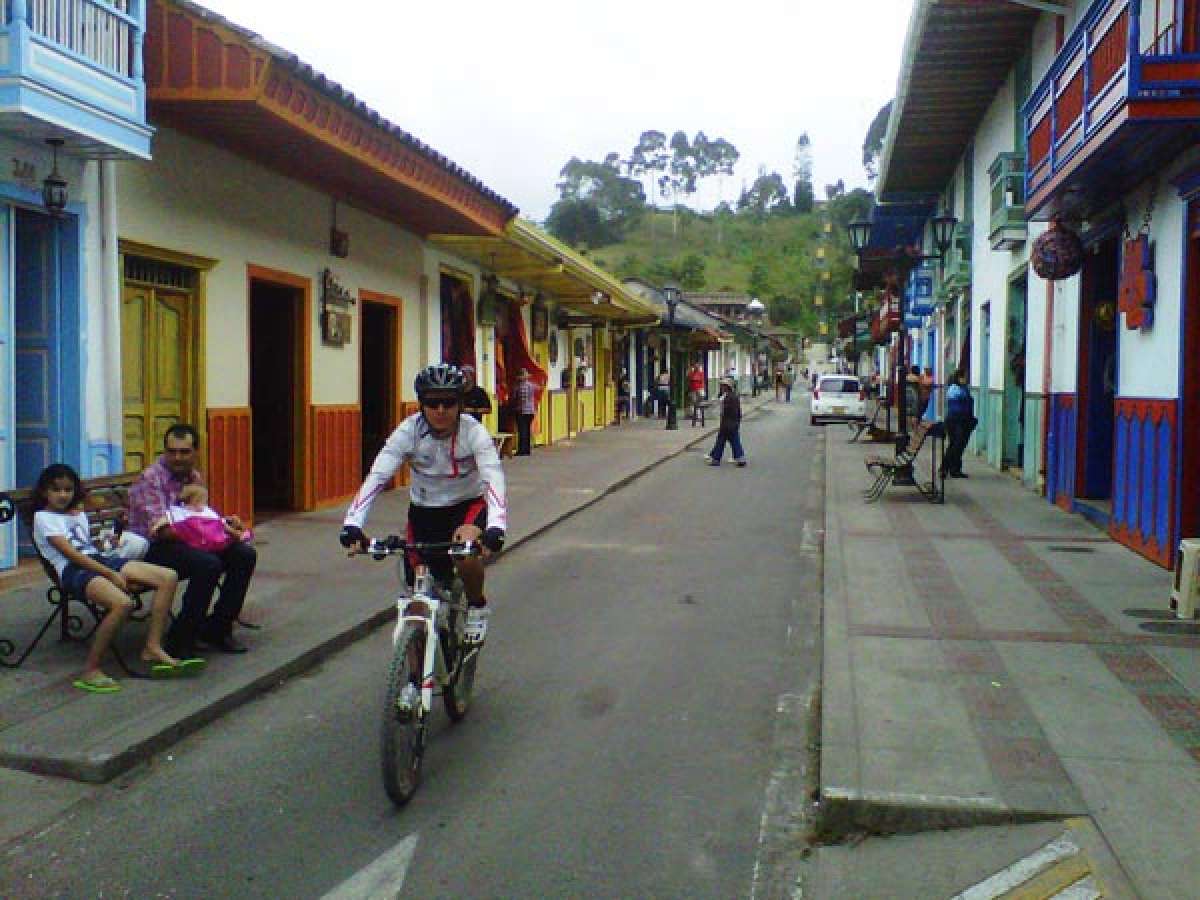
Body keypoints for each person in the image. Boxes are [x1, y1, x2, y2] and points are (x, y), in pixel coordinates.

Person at [340, 363, 506, 645]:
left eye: (449, 402)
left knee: (464, 551)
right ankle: (415, 685)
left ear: (460, 404)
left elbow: (493, 477)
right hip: (424, 513)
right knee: (416, 606)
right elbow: (378, 476)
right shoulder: (409, 431)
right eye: (432, 402)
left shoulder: (472, 432)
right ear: (422, 404)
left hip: (468, 507)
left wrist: (496, 527)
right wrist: (352, 524)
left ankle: (477, 605)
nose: (440, 410)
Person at [30, 463, 196, 692]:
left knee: (168, 576)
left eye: (68, 490)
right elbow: (71, 554)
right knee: (122, 603)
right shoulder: (43, 518)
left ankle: (152, 646)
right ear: (44, 492)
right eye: (56, 490)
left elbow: (89, 545)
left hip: (100, 560)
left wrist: (111, 541)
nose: (62, 495)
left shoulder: (77, 514)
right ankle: (91, 669)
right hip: (74, 570)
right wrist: (110, 574)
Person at [129, 424, 258, 657]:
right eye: (172, 451)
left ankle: (218, 628)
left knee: (244, 554)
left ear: (195, 452)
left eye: (184, 452)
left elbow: (200, 515)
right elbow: (162, 530)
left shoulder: (194, 477)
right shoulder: (151, 479)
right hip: (154, 548)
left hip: (189, 542)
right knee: (207, 563)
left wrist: (225, 526)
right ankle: (181, 638)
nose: (177, 458)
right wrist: (206, 535)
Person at [166, 485, 254, 554]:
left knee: (225, 523)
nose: (205, 504)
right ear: (194, 500)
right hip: (204, 537)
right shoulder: (182, 512)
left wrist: (225, 520)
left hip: (211, 532)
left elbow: (215, 519)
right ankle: (237, 535)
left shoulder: (203, 510)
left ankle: (237, 533)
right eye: (203, 501)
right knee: (223, 526)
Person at [940, 370, 977, 479]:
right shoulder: (955, 389)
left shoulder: (962, 389)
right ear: (958, 378)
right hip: (957, 421)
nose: (966, 379)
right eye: (964, 377)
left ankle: (953, 468)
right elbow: (960, 406)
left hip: (961, 421)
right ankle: (947, 468)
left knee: (957, 446)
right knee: (956, 445)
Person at [704, 378, 746, 467]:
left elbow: (724, 409)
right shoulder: (733, 396)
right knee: (732, 441)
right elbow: (739, 412)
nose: (721, 388)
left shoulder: (728, 398)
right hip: (733, 423)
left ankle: (716, 459)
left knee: (723, 440)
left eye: (723, 386)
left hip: (727, 423)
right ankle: (740, 458)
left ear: (727, 387)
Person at [514, 368, 537, 456]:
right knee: (527, 430)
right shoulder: (531, 385)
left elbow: (520, 399)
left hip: (522, 411)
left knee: (522, 431)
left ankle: (521, 450)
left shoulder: (519, 386)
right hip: (530, 410)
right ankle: (527, 450)